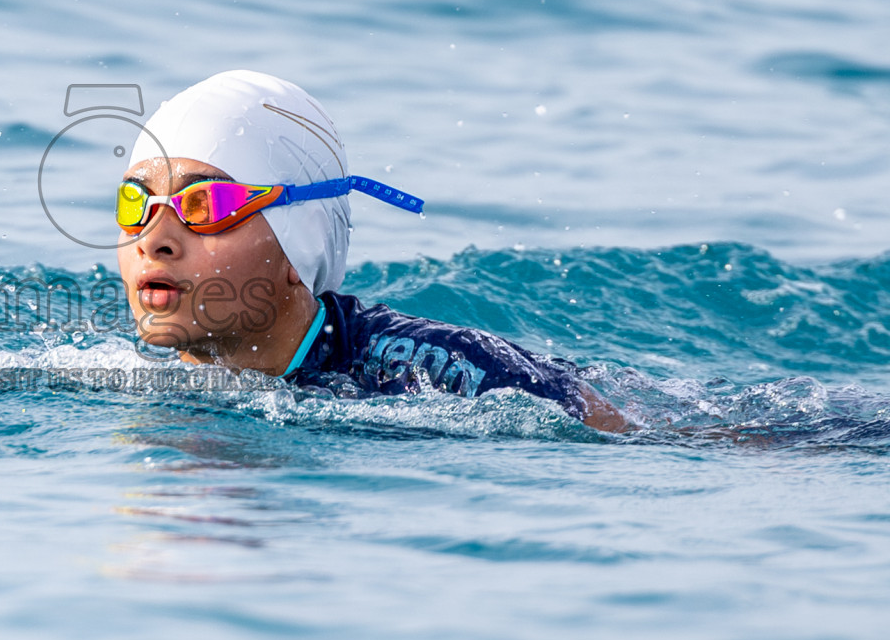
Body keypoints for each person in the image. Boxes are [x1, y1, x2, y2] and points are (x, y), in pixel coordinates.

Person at [114, 70, 630, 433]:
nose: (153, 237)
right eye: (135, 202)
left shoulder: (435, 368)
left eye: (205, 205)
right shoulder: (109, 373)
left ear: (304, 238)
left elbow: (631, 439)